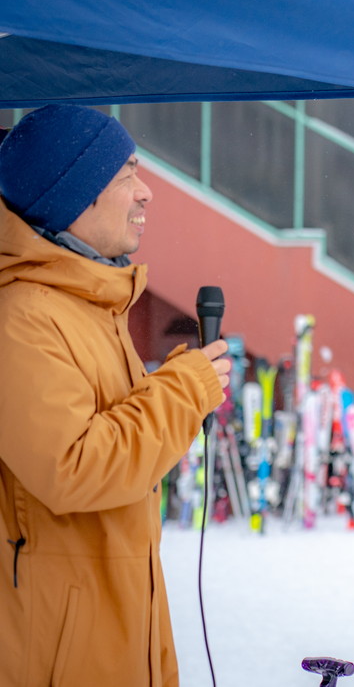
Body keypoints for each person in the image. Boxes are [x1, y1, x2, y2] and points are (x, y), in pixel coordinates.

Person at [0, 104, 232, 686]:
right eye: (126, 174)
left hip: (114, 634)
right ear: (73, 195)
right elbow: (75, 466)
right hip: (60, 653)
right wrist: (184, 389)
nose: (146, 192)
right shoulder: (24, 317)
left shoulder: (88, 307)